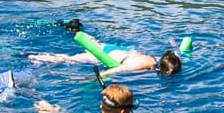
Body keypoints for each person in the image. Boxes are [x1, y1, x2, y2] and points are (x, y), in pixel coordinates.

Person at [29, 48, 182, 76]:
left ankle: (73, 27)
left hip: (115, 50)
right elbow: (116, 70)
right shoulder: (141, 65)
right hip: (104, 55)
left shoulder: (157, 58)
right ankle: (31, 56)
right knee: (66, 59)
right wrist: (97, 77)